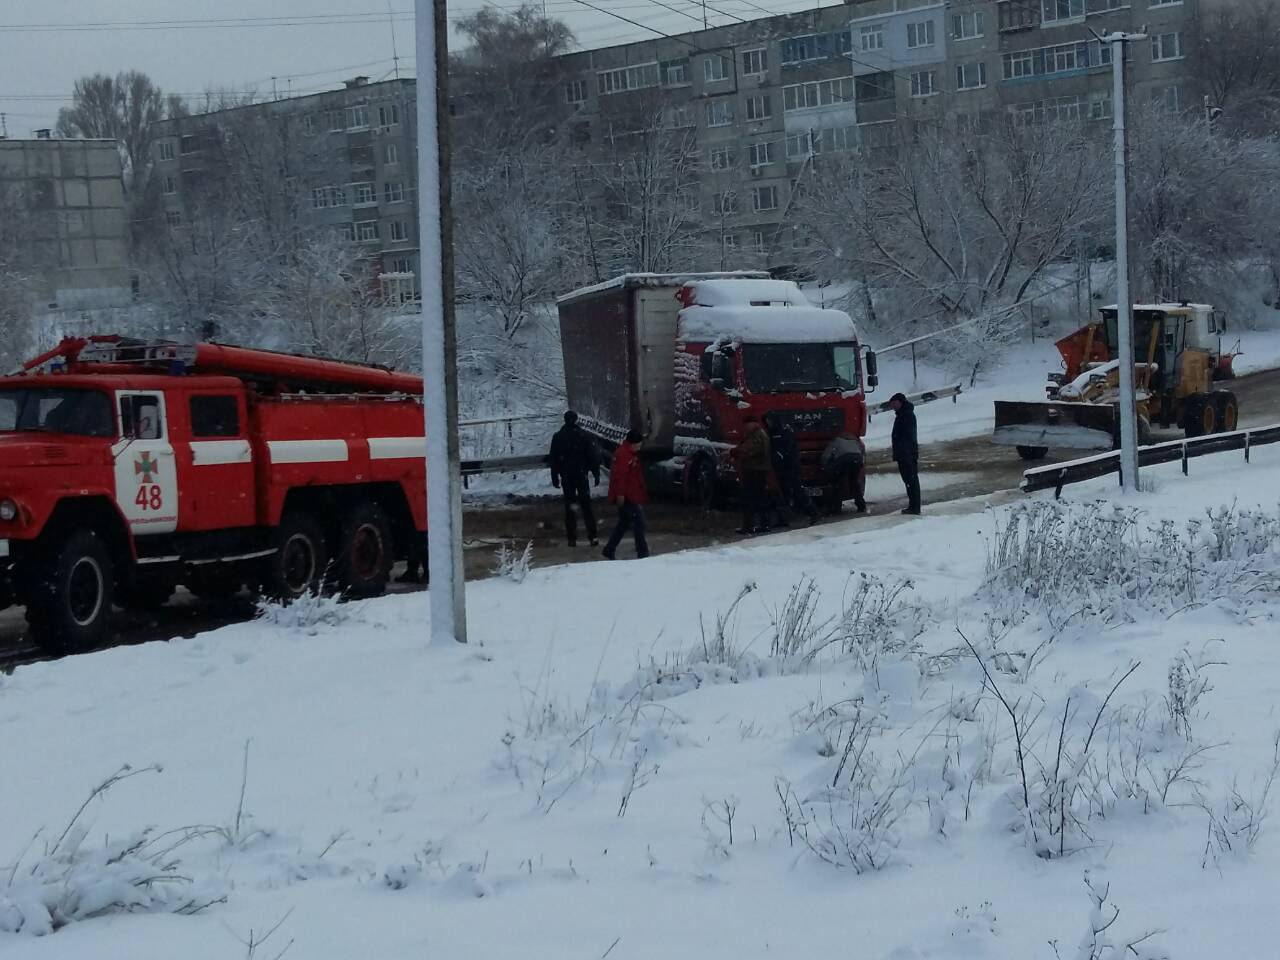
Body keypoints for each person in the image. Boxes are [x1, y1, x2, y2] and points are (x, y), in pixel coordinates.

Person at [549, 411, 601, 547]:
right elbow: (592, 456)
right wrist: (595, 473)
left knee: (570, 508)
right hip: (581, 475)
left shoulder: (558, 437)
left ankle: (572, 538)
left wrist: (555, 476)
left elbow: (553, 459)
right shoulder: (584, 436)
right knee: (586, 507)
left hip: (567, 476)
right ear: (576, 420)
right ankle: (593, 536)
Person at [602, 429, 650, 560]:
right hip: (628, 495)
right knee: (639, 524)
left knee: (624, 524)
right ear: (634, 443)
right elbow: (621, 476)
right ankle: (642, 552)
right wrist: (621, 494)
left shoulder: (626, 453)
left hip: (629, 494)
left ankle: (609, 548)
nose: (640, 447)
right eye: (639, 444)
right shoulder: (625, 455)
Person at [764, 412, 818, 526]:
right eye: (767, 420)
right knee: (784, 493)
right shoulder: (771, 432)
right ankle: (784, 518)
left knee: (797, 491)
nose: (768, 422)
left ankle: (812, 513)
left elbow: (789, 449)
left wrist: (780, 455)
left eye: (770, 420)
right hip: (780, 468)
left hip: (790, 467)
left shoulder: (784, 431)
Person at [733, 415, 774, 535]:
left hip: (754, 470)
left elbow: (748, 449)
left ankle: (749, 526)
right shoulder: (760, 434)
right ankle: (763, 524)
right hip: (759, 469)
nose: (744, 427)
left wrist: (734, 452)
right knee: (759, 498)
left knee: (750, 498)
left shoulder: (757, 435)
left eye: (746, 424)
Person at [820, 432, 867, 516]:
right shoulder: (854, 440)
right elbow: (860, 451)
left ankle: (836, 507)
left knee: (839, 484)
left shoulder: (835, 441)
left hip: (844, 460)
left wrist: (825, 467)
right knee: (854, 483)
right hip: (857, 459)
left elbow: (826, 456)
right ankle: (861, 505)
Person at [889, 393, 921, 515]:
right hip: (905, 454)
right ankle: (913, 506)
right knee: (909, 480)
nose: (893, 406)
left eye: (894, 403)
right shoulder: (903, 414)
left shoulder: (906, 415)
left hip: (907, 454)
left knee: (911, 481)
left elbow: (908, 437)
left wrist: (904, 452)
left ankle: (914, 507)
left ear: (901, 402)